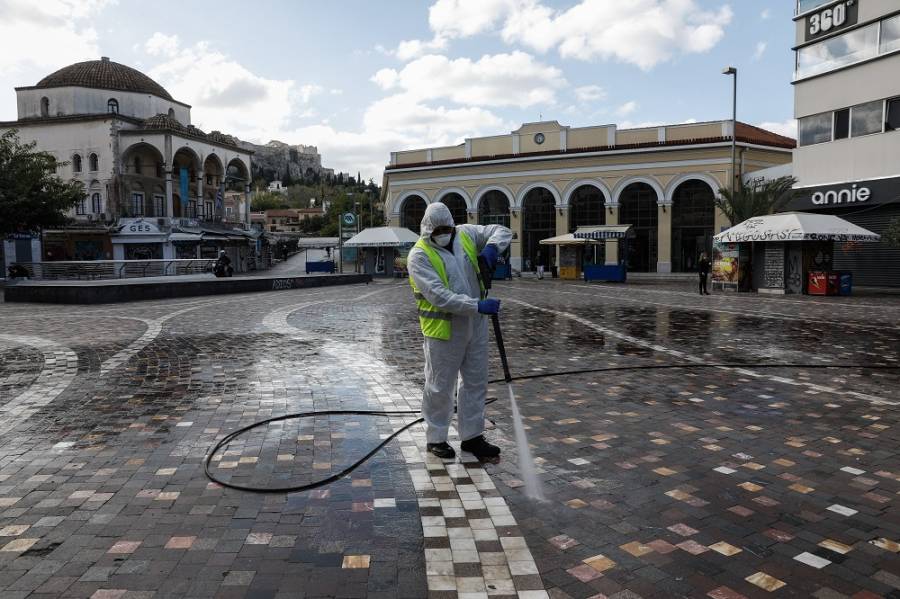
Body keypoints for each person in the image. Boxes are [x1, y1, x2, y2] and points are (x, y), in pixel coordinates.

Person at [407, 203, 512, 459]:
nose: (444, 233)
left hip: (475, 325)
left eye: (447, 228)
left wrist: (491, 247)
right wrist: (477, 305)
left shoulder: (465, 234)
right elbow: (440, 296)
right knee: (440, 386)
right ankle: (436, 438)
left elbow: (502, 230)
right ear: (427, 229)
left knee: (476, 382)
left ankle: (472, 437)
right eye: (438, 230)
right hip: (443, 331)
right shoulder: (419, 256)